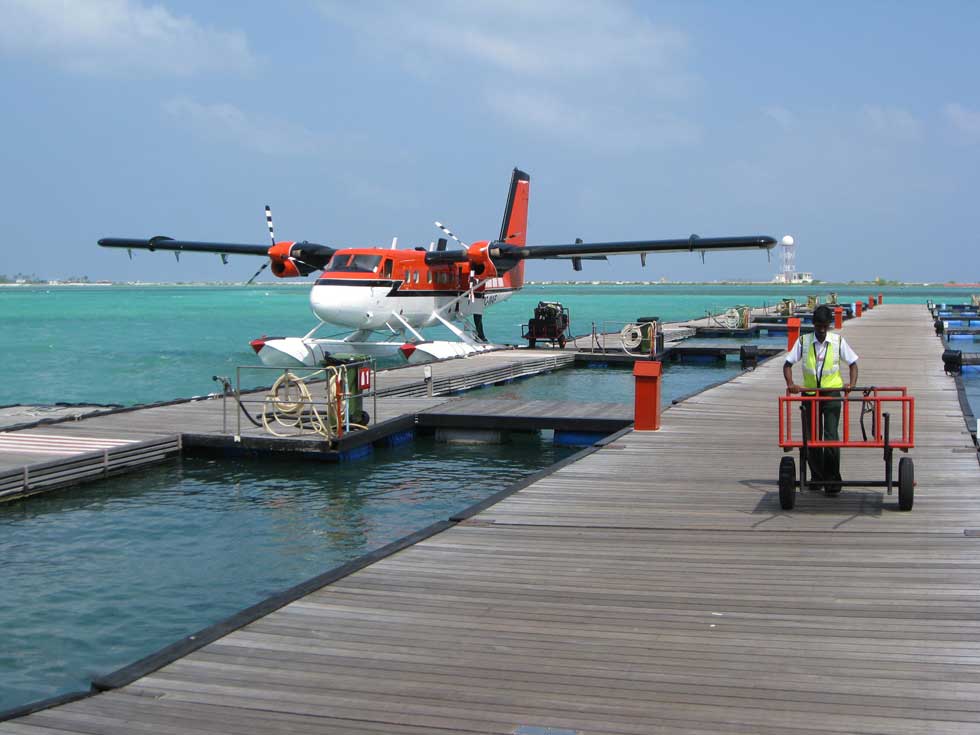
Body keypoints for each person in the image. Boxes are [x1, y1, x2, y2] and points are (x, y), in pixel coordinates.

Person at [783, 304, 859, 494]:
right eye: (818, 326)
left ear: (830, 324)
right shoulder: (804, 341)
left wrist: (851, 384)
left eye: (825, 326)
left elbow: (853, 364)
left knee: (831, 436)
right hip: (809, 394)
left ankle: (833, 479)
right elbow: (787, 364)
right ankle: (817, 477)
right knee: (812, 437)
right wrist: (791, 383)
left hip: (832, 393)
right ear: (813, 324)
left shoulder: (838, 341)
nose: (822, 330)